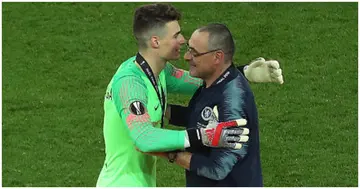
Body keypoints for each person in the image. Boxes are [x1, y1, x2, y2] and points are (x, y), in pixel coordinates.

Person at [97, 3, 283, 187]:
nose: (183, 40)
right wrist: (203, 136)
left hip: (141, 181)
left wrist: (247, 73)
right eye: (176, 35)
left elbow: (206, 82)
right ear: (155, 41)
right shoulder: (130, 83)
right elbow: (144, 138)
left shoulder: (160, 71)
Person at [147, 23, 265, 187]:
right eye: (189, 49)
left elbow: (218, 168)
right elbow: (197, 116)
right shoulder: (213, 82)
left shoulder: (232, 101)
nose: (187, 57)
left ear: (217, 57)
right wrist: (162, 110)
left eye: (194, 53)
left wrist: (168, 152)